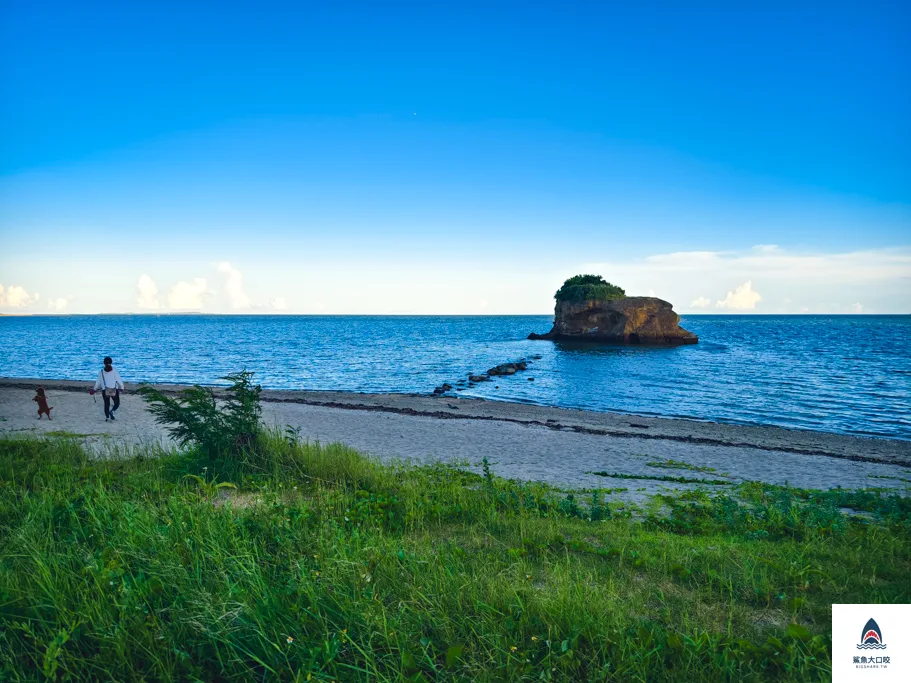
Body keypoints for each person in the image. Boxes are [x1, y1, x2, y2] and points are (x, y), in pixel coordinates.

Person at [90, 356, 126, 421]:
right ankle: (112, 411)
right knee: (117, 403)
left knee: (106, 404)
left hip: (105, 390)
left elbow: (98, 382)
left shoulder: (101, 372)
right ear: (111, 362)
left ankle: (107, 417)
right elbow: (119, 380)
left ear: (104, 363)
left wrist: (94, 389)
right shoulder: (114, 371)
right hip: (114, 390)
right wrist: (122, 387)